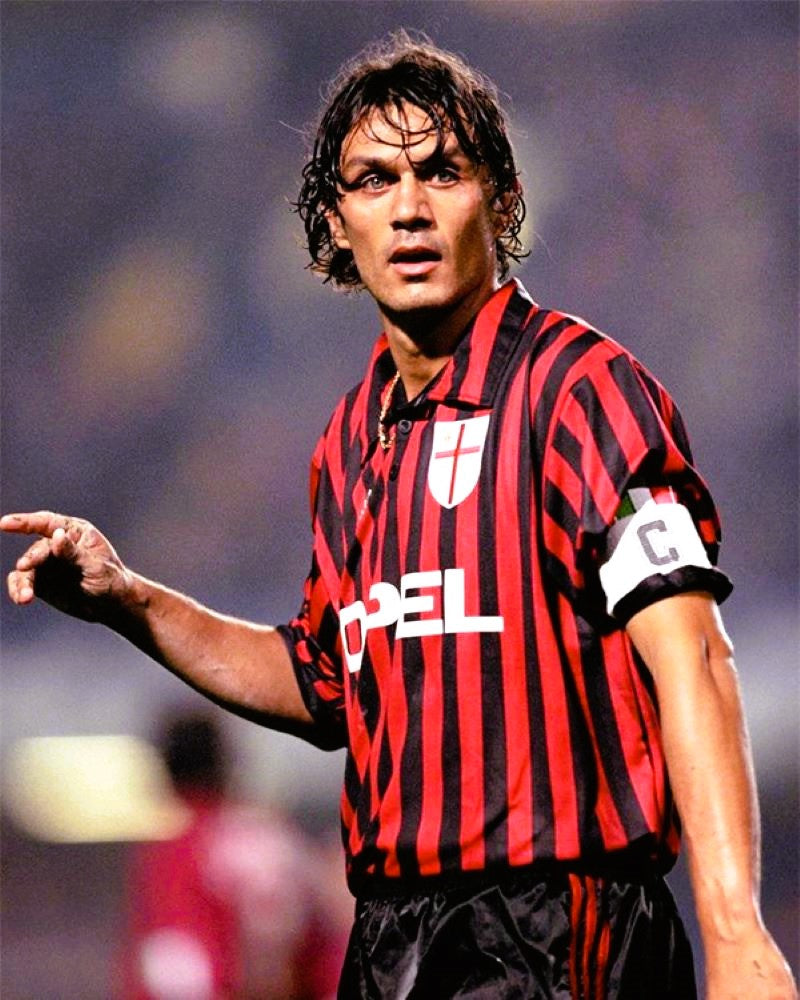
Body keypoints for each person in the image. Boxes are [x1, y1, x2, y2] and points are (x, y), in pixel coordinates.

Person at [2, 33, 795, 1000]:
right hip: (388, 940)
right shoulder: (349, 441)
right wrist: (130, 600)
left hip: (559, 930)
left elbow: (693, 652)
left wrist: (735, 929)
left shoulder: (581, 392)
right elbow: (324, 684)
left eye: (442, 172)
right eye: (374, 180)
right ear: (336, 225)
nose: (409, 207)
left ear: (503, 202)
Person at [118, 710, 346, 1000]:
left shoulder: (175, 852)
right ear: (226, 765)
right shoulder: (273, 836)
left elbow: (180, 966)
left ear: (165, 769)